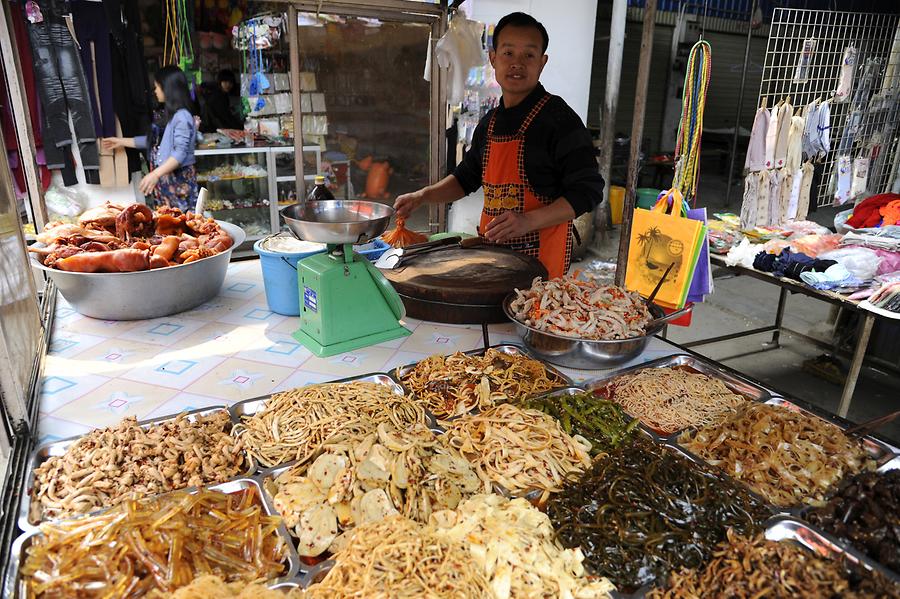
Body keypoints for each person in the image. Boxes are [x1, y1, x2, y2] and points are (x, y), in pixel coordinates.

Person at [394, 12, 604, 278]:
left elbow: (589, 190)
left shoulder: (559, 120)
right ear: (493, 58)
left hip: (541, 270)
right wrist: (423, 196)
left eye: (529, 55)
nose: (517, 63)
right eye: (508, 53)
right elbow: (465, 179)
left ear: (542, 62)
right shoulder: (489, 123)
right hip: (493, 260)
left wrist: (529, 220)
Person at [102, 65, 198, 211]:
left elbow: (180, 153)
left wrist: (155, 174)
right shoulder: (171, 116)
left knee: (181, 223)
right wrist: (120, 141)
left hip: (178, 182)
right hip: (167, 181)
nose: (155, 91)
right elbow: (150, 142)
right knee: (168, 223)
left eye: (157, 87)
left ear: (168, 88)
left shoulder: (182, 116)